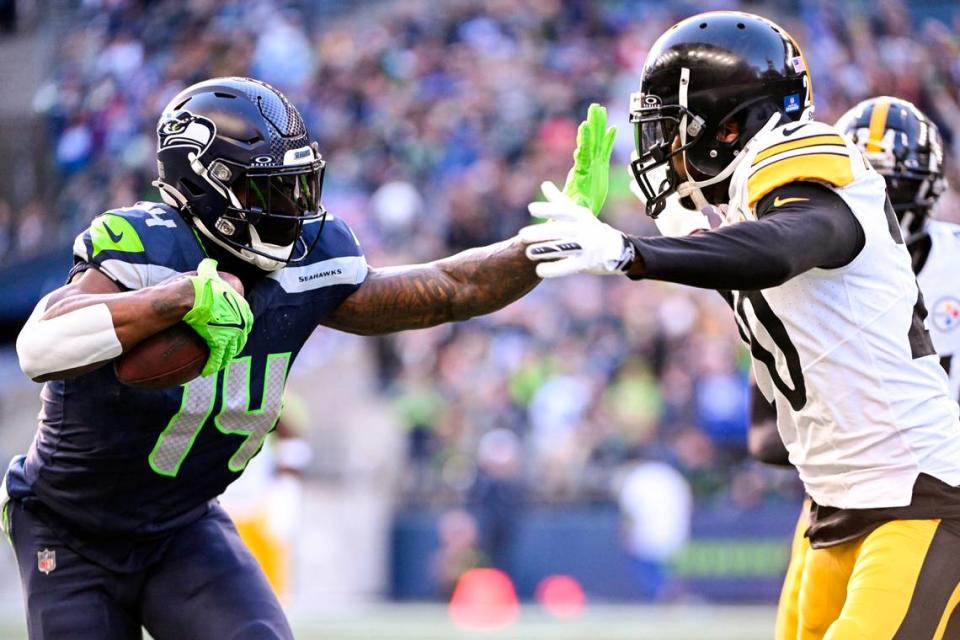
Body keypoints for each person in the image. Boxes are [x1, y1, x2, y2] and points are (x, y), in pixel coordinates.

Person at [2, 76, 560, 640]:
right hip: (72, 527)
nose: (294, 208)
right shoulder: (143, 245)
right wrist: (177, 299)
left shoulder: (311, 258)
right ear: (207, 186)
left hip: (183, 522)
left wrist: (535, 249)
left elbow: (448, 286)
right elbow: (40, 347)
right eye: (272, 190)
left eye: (300, 186)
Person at [521, 12, 960, 637]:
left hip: (916, 496)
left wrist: (631, 251)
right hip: (837, 502)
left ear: (728, 126)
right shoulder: (756, 199)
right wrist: (667, 219)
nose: (663, 148)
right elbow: (750, 270)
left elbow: (783, 246)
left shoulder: (806, 160)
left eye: (675, 129)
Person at [757, 96, 957, 640]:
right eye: (879, 184)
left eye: (901, 186)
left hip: (934, 487)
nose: (889, 201)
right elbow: (764, 427)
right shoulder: (806, 272)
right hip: (839, 494)